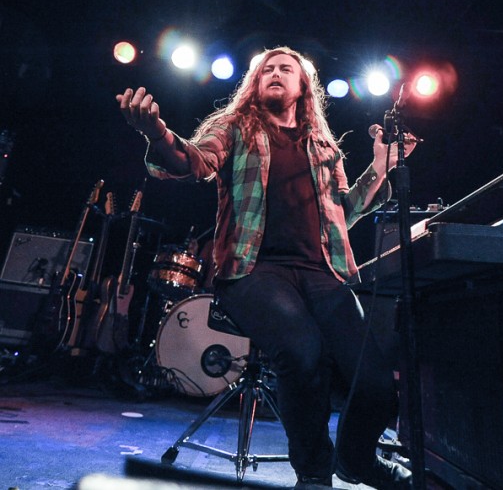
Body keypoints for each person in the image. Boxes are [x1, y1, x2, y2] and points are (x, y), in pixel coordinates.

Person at [116, 46, 415, 489]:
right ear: (255, 84)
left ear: (303, 87)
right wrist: (157, 133)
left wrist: (380, 166)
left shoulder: (323, 145)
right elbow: (194, 163)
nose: (275, 72)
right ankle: (314, 474)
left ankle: (356, 461)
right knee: (302, 352)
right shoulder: (234, 126)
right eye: (267, 69)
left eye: (286, 68)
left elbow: (344, 211)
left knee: (374, 382)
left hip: (323, 272)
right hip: (254, 270)